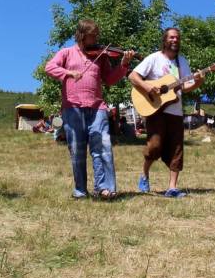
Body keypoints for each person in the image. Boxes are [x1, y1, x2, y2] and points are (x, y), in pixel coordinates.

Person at [45, 19, 134, 200]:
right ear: (81, 36)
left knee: (103, 146)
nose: (95, 40)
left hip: (97, 107)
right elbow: (49, 67)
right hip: (73, 107)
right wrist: (68, 73)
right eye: (92, 36)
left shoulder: (101, 56)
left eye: (96, 36)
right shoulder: (66, 53)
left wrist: (123, 65)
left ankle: (104, 188)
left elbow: (109, 79)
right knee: (77, 150)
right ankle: (80, 190)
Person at [129, 28, 203, 199]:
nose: (175, 40)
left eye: (177, 38)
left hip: (175, 112)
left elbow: (185, 87)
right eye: (171, 37)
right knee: (154, 147)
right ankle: (144, 174)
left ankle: (172, 188)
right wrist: (148, 87)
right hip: (155, 110)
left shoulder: (182, 61)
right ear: (165, 40)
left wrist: (198, 81)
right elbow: (133, 76)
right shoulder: (154, 58)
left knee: (177, 149)